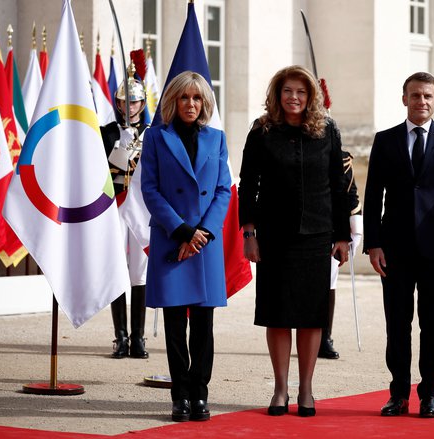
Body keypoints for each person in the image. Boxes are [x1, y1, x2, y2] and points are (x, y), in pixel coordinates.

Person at [238, 65, 350, 417]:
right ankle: (280, 389)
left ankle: (306, 389)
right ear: (277, 93)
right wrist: (249, 234)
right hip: (273, 236)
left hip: (317, 236)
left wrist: (343, 235)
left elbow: (338, 183)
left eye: (301, 92)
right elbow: (248, 185)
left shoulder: (327, 130)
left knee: (311, 316)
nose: (294, 97)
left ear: (311, 96)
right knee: (278, 314)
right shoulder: (262, 131)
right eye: (288, 91)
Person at [363, 71, 434, 418]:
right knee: (397, 325)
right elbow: (372, 194)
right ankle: (398, 394)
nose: (421, 101)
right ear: (404, 98)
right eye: (415, 95)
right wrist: (373, 244)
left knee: (432, 324)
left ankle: (429, 394)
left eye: (427, 96)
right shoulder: (385, 140)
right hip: (393, 249)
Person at [140, 71, 232, 423]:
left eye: (196, 98)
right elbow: (150, 189)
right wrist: (182, 232)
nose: (190, 104)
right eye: (184, 98)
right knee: (176, 326)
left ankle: (200, 393)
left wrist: (203, 233)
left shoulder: (217, 138)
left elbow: (223, 190)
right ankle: (180, 396)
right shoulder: (156, 138)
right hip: (171, 238)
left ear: (204, 103)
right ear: (173, 102)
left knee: (204, 328)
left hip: (204, 244)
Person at [100, 65, 149, 359]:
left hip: (142, 208)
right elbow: (101, 173)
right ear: (117, 103)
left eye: (134, 102)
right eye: (124, 102)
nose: (129, 107)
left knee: (140, 273)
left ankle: (139, 337)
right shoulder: (106, 133)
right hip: (115, 206)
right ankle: (120, 337)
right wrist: (121, 150)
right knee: (117, 267)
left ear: (142, 104)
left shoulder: (154, 134)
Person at [319, 150, 363, 360]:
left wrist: (355, 230)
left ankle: (324, 337)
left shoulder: (340, 157)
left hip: (329, 228)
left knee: (328, 279)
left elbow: (349, 194)